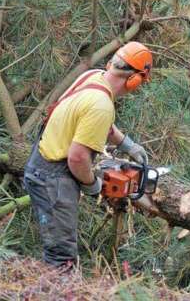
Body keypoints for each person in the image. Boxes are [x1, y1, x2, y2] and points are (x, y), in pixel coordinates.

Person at [23, 41, 153, 268]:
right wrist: (92, 184)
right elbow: (78, 158)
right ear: (134, 80)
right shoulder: (101, 105)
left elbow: (103, 126)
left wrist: (128, 145)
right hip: (54, 179)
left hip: (40, 165)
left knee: (54, 249)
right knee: (61, 258)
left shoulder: (94, 77)